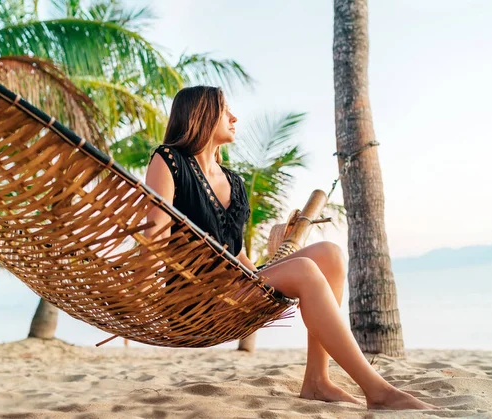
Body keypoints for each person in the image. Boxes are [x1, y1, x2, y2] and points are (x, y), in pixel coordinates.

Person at [144, 86, 438, 411]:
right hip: (193, 302)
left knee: (330, 255)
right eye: (224, 109)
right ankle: (377, 390)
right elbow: (154, 234)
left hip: (234, 292)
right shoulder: (169, 160)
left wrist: (267, 268)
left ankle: (317, 381)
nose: (234, 117)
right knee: (304, 270)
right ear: (200, 114)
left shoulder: (235, 182)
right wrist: (134, 294)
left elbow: (234, 252)